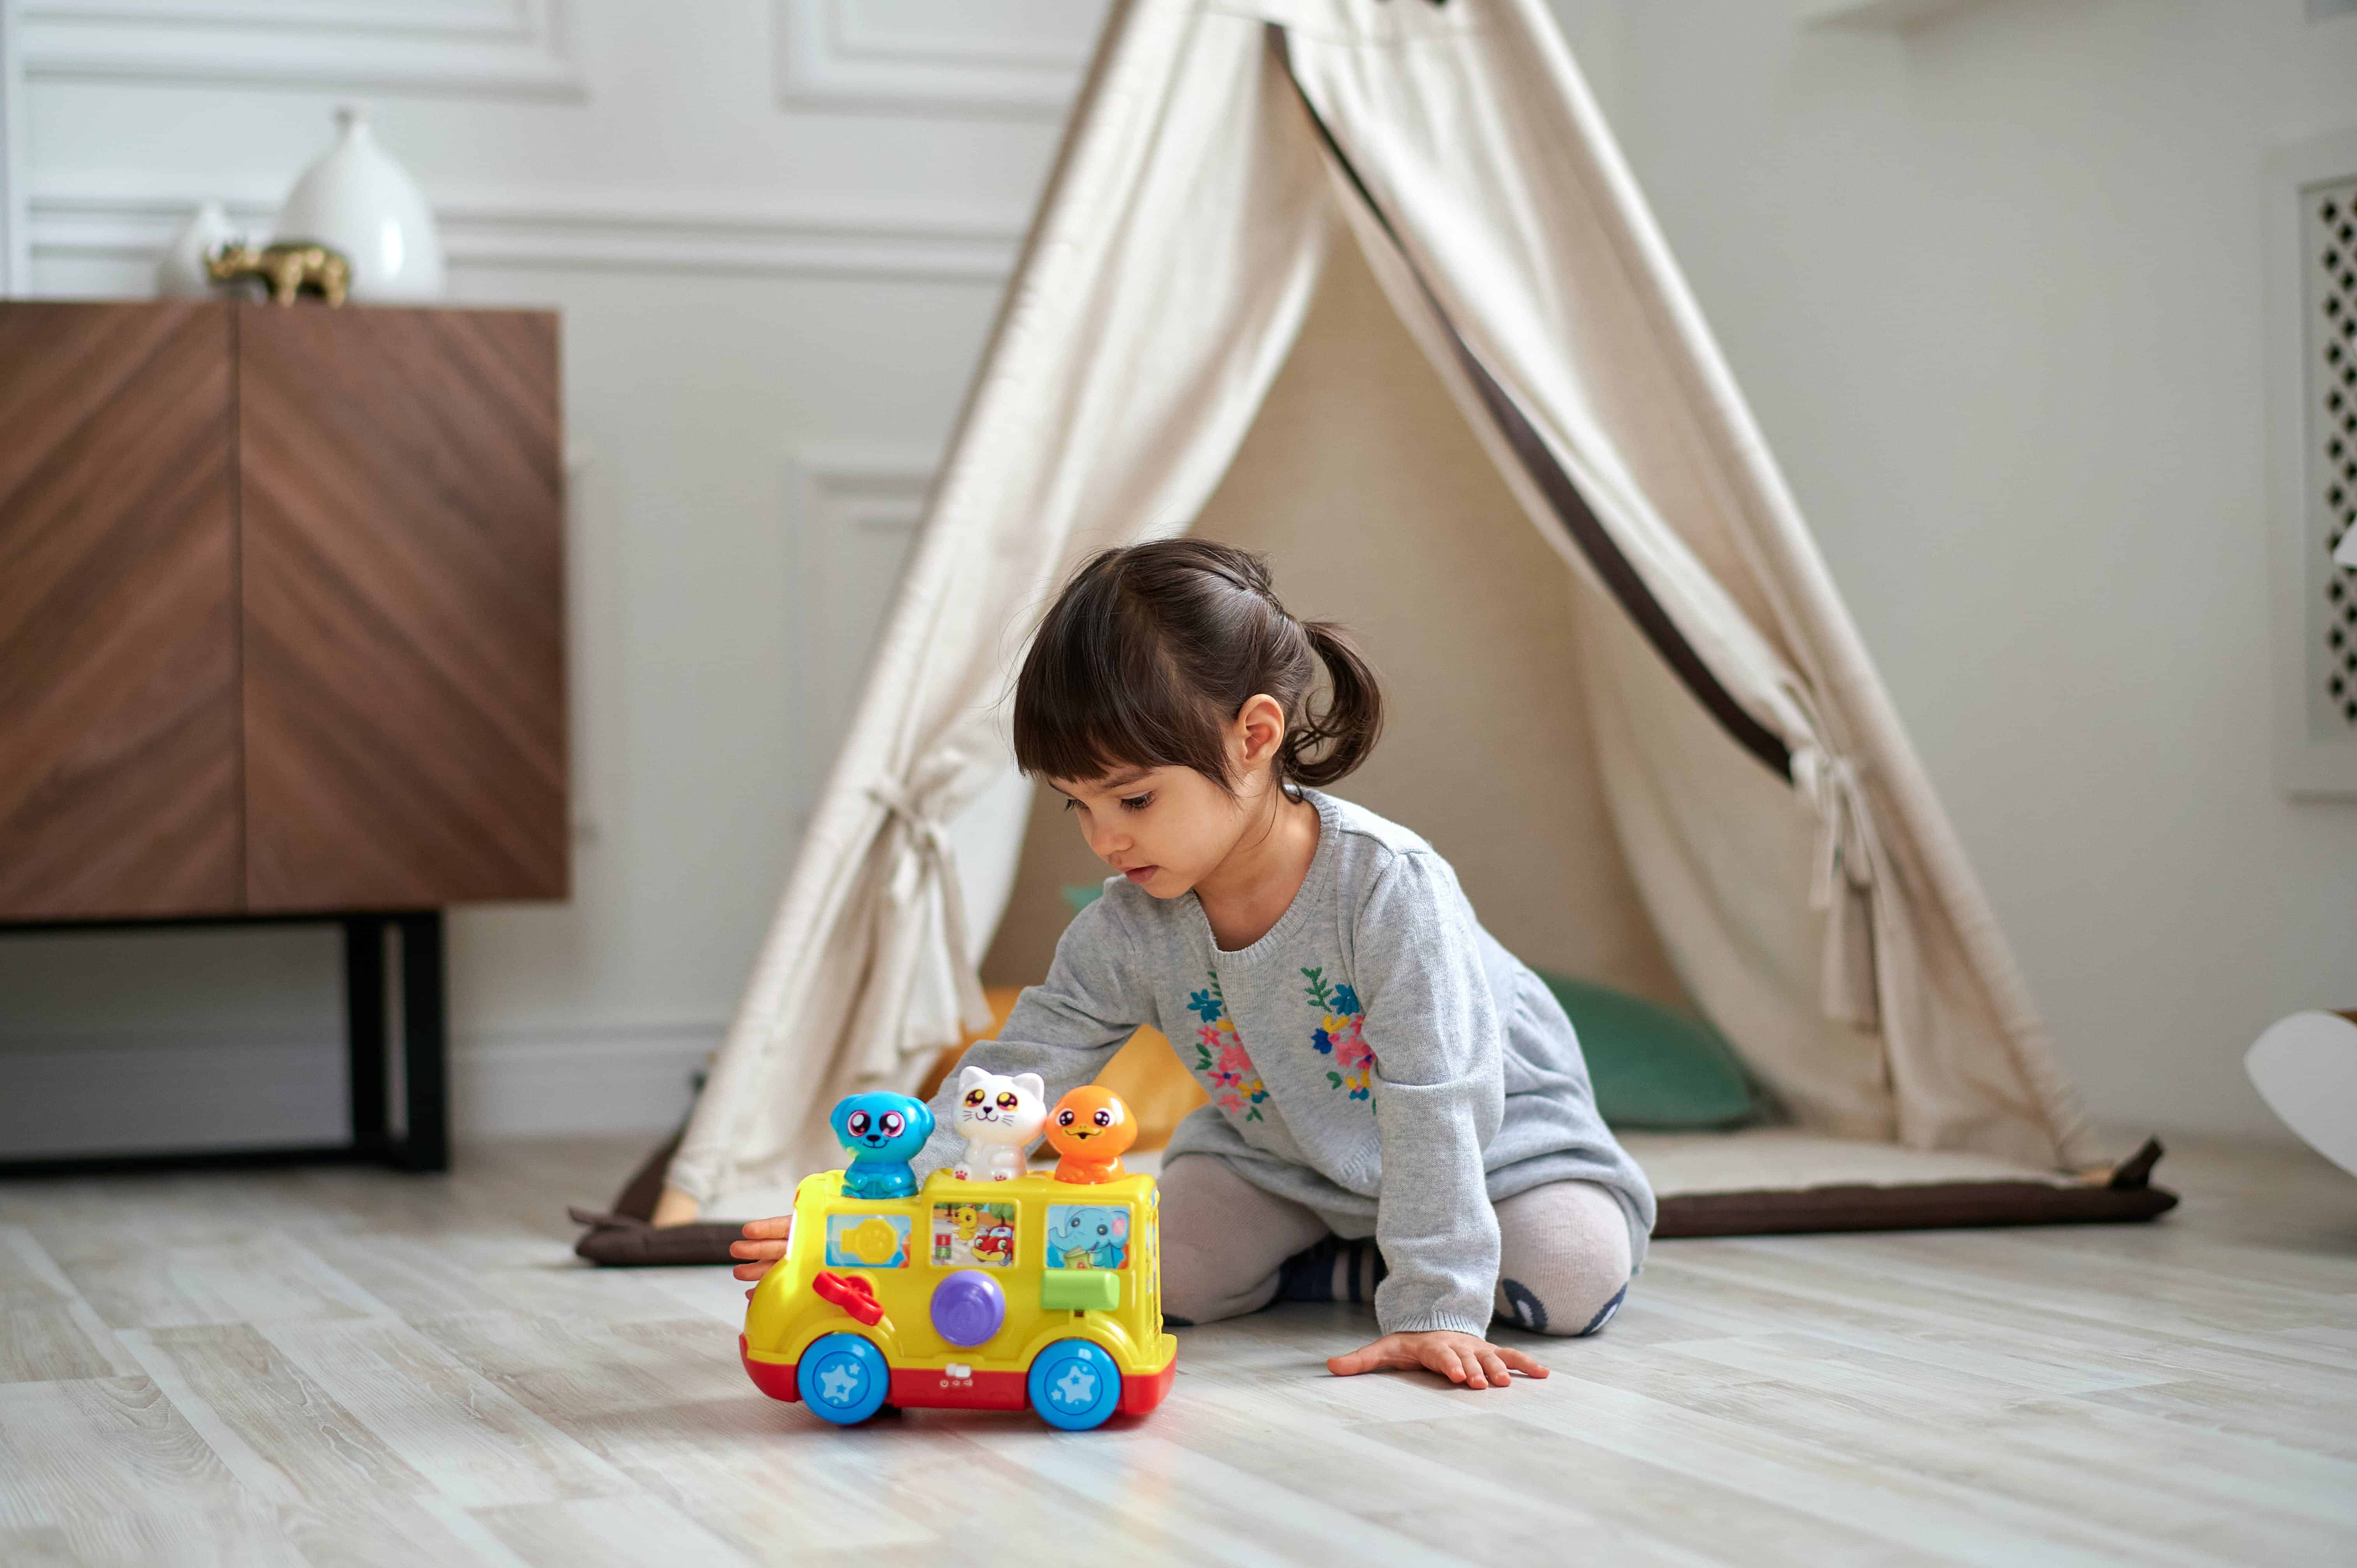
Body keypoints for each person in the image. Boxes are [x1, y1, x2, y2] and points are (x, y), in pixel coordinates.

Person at [733, 539, 1653, 1390]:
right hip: (1280, 1157)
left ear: (1255, 736)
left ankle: (1385, 1263)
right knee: (1115, 1267)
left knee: (1571, 1274)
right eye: (1077, 806)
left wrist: (1432, 1307)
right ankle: (1342, 1257)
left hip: (1491, 1147)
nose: (1105, 838)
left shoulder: (1387, 889)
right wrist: (870, 1218)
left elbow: (1437, 1098)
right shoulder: (1127, 926)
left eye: (1132, 796)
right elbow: (1012, 1080)